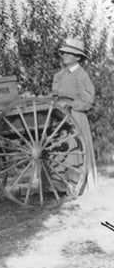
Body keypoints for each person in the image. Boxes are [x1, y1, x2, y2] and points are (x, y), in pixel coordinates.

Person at [51, 38, 97, 190]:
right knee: (60, 150)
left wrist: (71, 105)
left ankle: (80, 184)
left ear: (77, 57)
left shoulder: (82, 75)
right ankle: (60, 185)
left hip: (76, 117)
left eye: (69, 54)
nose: (64, 55)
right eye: (63, 53)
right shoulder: (58, 76)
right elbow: (55, 96)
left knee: (76, 149)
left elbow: (88, 101)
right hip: (59, 119)